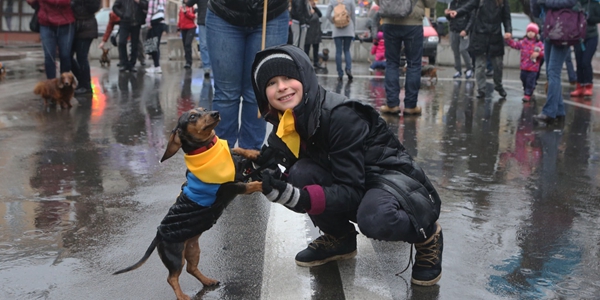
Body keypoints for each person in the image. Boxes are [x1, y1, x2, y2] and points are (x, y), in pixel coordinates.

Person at [250, 44, 443, 286]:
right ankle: (339, 238)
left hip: (389, 180)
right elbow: (279, 170)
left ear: (304, 76)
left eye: (288, 77)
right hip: (354, 180)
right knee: (300, 173)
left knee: (375, 218)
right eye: (271, 83)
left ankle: (427, 235)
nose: (282, 87)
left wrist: (294, 196)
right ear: (262, 93)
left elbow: (349, 192)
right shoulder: (286, 124)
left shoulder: (340, 114)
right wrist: (251, 170)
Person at [205, 0, 289, 151]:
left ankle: (250, 159)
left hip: (272, 13)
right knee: (226, 93)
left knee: (257, 92)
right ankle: (221, 157)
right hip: (223, 11)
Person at [377, 0, 436, 115]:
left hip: (390, 21)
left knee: (392, 63)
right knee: (414, 64)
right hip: (413, 22)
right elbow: (430, 3)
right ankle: (410, 106)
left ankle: (392, 104)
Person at [448, 0, 512, 99]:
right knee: (480, 65)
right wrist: (458, 12)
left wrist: (508, 30)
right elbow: (468, 6)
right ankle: (481, 89)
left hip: (495, 35)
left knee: (498, 64)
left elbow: (506, 17)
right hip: (480, 34)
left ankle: (498, 85)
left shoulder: (503, 1)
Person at [530, 0, 571, 124]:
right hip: (548, 30)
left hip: (562, 30)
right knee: (550, 73)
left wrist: (547, 2)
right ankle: (559, 111)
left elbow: (571, 2)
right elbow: (536, 12)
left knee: (553, 71)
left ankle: (549, 112)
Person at [26, 0, 75, 80]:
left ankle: (65, 83)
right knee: (49, 57)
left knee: (65, 55)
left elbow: (65, 2)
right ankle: (52, 85)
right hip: (46, 24)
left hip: (66, 24)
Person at [505, 23, 544, 102]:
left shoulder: (539, 44)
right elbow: (515, 44)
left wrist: (538, 54)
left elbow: (544, 52)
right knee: (523, 78)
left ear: (536, 34)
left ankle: (527, 94)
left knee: (530, 80)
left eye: (532, 32)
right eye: (529, 31)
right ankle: (528, 89)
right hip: (524, 66)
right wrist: (508, 40)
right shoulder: (523, 42)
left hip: (533, 68)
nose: (530, 33)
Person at [570, 0, 600, 97]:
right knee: (579, 62)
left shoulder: (594, 4)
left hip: (591, 36)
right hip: (578, 37)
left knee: (585, 61)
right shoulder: (575, 4)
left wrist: (590, 18)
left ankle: (588, 85)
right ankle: (579, 86)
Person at [71, 0, 101, 95]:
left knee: (81, 56)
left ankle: (86, 85)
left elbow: (94, 7)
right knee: (66, 55)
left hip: (86, 27)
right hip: (73, 27)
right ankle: (82, 80)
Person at [113, 0, 148, 73]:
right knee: (122, 42)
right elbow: (115, 7)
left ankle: (132, 64)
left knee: (135, 44)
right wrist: (122, 15)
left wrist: (139, 2)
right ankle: (124, 63)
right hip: (124, 22)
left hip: (136, 22)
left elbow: (146, 5)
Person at [326, 0, 356, 81]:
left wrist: (334, 21)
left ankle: (340, 73)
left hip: (337, 29)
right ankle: (348, 69)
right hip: (348, 28)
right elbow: (353, 15)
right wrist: (353, 28)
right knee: (347, 50)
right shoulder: (350, 1)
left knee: (338, 51)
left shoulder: (332, 1)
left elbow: (327, 15)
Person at [445, 0, 473, 79]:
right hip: (453, 29)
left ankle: (469, 68)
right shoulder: (452, 3)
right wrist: (447, 14)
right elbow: (449, 18)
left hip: (463, 30)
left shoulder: (467, 3)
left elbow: (471, 18)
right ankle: (458, 70)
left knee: (463, 49)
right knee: (455, 50)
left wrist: (466, 30)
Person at [186, 0, 211, 76]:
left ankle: (209, 66)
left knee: (206, 45)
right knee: (204, 45)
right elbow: (189, 3)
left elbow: (189, 3)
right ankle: (207, 67)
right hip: (204, 21)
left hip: (213, 21)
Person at [145, 0, 166, 74]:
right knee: (156, 44)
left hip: (154, 23)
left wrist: (148, 22)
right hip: (161, 23)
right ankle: (156, 65)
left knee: (153, 44)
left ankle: (157, 66)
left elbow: (150, 11)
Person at [304, 0, 323, 69]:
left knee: (316, 48)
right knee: (307, 48)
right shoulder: (306, 9)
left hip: (316, 32)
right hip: (309, 32)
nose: (313, 3)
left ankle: (316, 62)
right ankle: (306, 62)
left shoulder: (315, 9)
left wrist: (315, 8)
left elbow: (320, 15)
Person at [178, 0, 196, 69]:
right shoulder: (181, 7)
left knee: (187, 44)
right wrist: (178, 28)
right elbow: (180, 18)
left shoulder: (192, 7)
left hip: (191, 28)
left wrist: (186, 13)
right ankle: (187, 61)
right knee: (185, 45)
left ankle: (189, 61)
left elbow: (193, 16)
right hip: (183, 28)